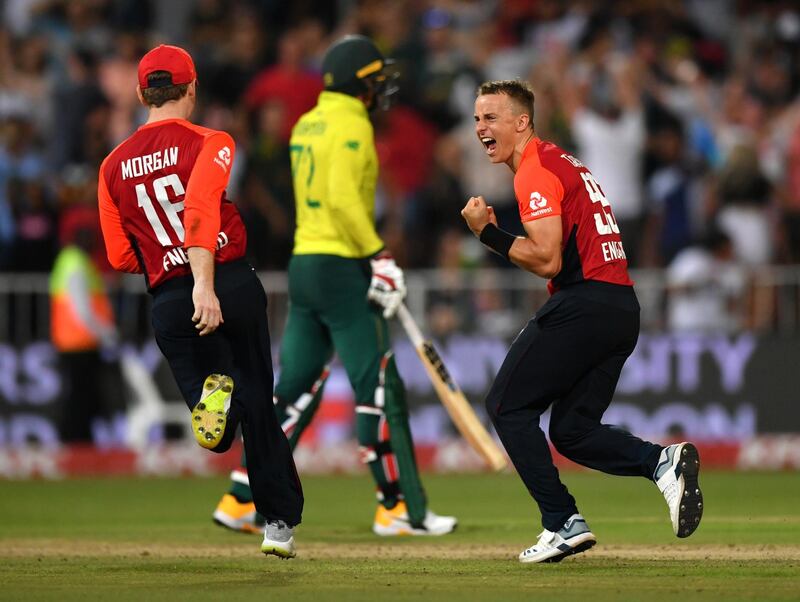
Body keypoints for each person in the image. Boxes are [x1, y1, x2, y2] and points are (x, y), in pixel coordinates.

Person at [211, 35, 456, 537]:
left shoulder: (306, 123)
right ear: (359, 82)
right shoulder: (353, 123)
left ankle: (241, 496)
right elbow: (344, 201)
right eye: (376, 78)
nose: (382, 87)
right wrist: (378, 255)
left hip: (306, 263)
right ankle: (399, 508)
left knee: (293, 389)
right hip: (344, 266)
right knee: (380, 385)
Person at [461, 79, 704, 564]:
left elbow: (548, 259)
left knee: (507, 406)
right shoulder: (561, 160)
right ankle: (662, 462)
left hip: (586, 303)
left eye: (490, 117)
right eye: (476, 119)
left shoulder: (533, 169)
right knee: (571, 431)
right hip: (619, 307)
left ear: (522, 121)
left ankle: (561, 522)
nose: (480, 128)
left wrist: (487, 234)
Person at [97, 44, 303, 558]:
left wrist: (171, 271)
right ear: (192, 89)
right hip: (225, 283)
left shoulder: (110, 166)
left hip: (167, 296)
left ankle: (216, 410)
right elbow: (200, 212)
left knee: (214, 420)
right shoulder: (211, 142)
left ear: (143, 93)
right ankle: (277, 524)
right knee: (259, 398)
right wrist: (204, 284)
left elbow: (120, 255)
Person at [50, 218, 119, 442]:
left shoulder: (74, 261)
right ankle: (75, 442)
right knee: (81, 398)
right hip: (78, 343)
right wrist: (107, 334)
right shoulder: (75, 264)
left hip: (77, 342)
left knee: (82, 397)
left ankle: (78, 440)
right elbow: (82, 311)